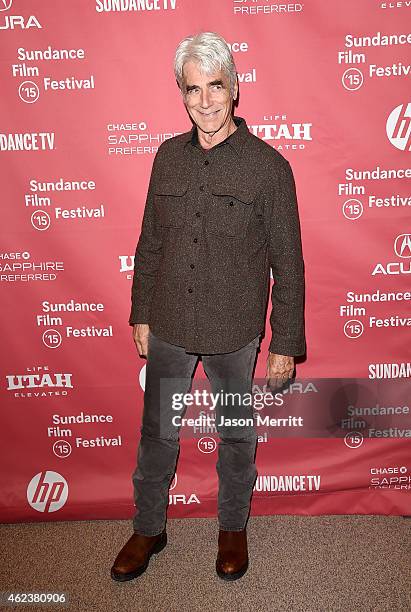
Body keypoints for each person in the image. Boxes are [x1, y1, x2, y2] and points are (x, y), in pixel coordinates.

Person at [111, 31, 306, 582]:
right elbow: (149, 242)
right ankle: (149, 527)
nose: (205, 101)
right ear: (181, 93)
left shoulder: (270, 168)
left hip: (236, 329)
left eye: (214, 86)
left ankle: (232, 527)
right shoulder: (167, 158)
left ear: (235, 88)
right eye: (192, 89)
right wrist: (141, 312)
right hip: (170, 321)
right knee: (157, 434)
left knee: (237, 435)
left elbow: (288, 264)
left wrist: (285, 343)